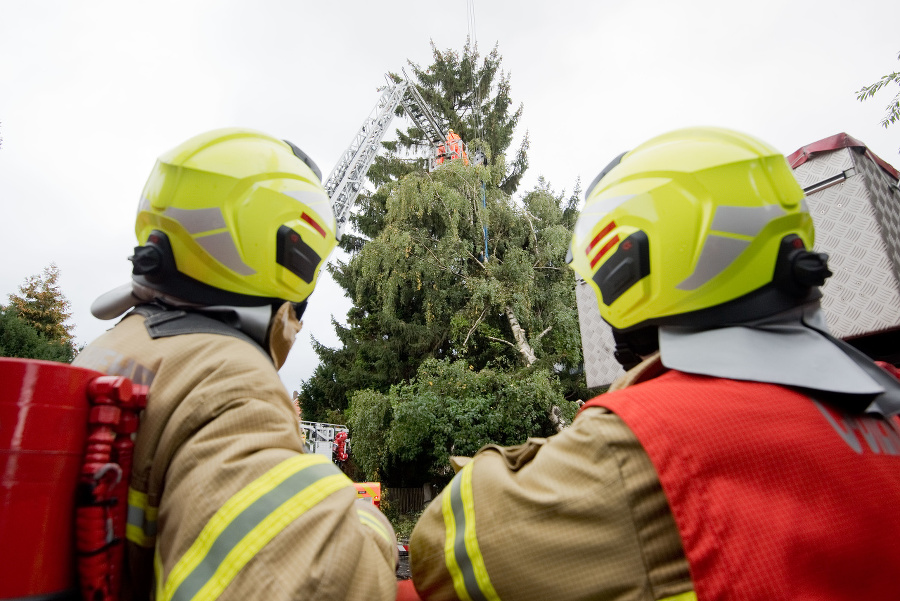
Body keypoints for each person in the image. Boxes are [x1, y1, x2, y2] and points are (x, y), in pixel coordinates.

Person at [408, 126, 900, 600]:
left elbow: (439, 552)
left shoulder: (635, 442)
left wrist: (626, 398)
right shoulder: (887, 400)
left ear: (637, 262)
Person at [74, 128, 399, 601]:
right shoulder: (226, 383)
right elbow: (310, 581)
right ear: (293, 257)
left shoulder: (117, 345)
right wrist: (367, 522)